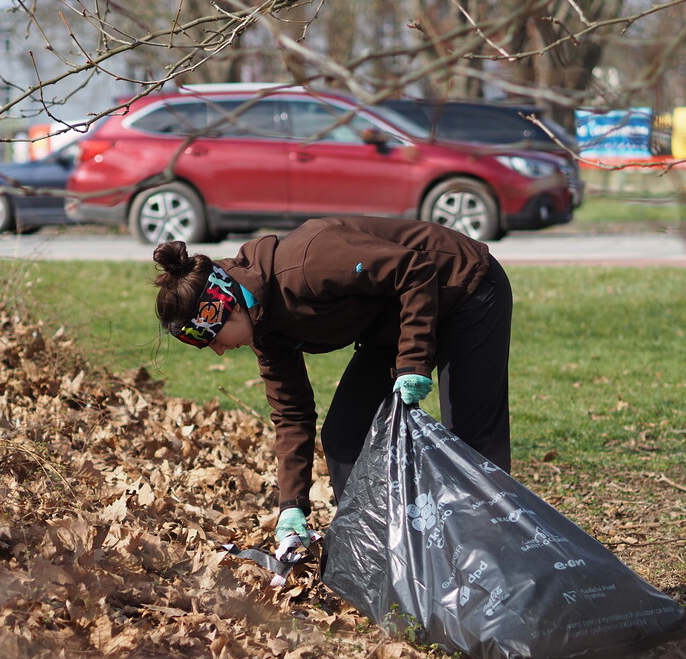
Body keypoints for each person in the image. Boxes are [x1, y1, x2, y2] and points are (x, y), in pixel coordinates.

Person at [152, 215, 512, 553]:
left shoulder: (307, 263)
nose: (218, 351)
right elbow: (291, 413)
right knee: (344, 435)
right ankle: (380, 548)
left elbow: (414, 270)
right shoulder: (264, 329)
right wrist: (291, 504)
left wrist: (413, 360)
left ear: (227, 308)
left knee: (470, 441)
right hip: (394, 320)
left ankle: (491, 551)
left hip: (463, 287)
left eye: (212, 339)